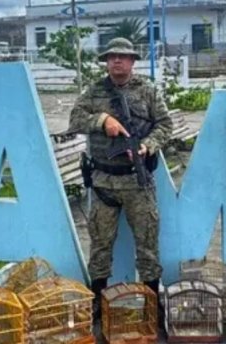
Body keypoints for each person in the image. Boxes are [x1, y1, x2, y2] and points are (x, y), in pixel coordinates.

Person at [68, 37, 172, 328]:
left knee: (147, 244)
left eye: (123, 56)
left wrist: (147, 146)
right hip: (104, 183)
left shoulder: (147, 90)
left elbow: (165, 125)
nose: (117, 60)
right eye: (112, 56)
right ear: (106, 61)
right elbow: (75, 119)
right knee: (100, 245)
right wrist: (103, 120)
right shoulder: (94, 92)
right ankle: (97, 300)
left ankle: (152, 300)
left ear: (132, 61)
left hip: (138, 182)